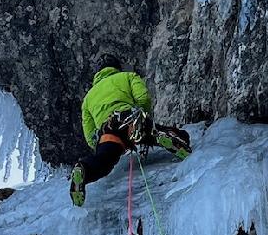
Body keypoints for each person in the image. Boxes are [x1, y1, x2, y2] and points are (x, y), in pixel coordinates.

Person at [69, 60, 191, 206]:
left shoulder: (88, 98)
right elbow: (143, 97)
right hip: (129, 119)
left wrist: (98, 145)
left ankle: (84, 170)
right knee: (155, 133)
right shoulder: (127, 76)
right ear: (116, 68)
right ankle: (169, 138)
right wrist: (144, 116)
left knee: (103, 160)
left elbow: (89, 132)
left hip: (107, 130)